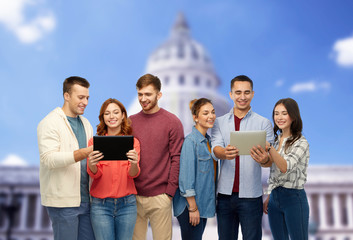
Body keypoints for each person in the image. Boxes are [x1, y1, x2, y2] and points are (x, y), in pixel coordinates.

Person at [211, 75, 274, 240]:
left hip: (251, 197)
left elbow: (270, 161)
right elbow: (215, 148)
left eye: (247, 92)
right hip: (224, 196)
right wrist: (223, 153)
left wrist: (264, 159)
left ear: (253, 94)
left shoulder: (264, 123)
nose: (242, 97)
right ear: (231, 94)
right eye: (238, 92)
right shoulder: (219, 122)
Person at [37, 76, 95, 240]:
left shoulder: (86, 124)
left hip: (86, 200)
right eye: (81, 97)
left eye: (87, 98)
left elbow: (90, 160)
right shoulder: (49, 123)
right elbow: (49, 159)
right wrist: (83, 153)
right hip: (63, 202)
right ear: (67, 96)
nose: (85, 102)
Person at [130, 73, 184, 240]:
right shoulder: (130, 122)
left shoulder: (172, 122)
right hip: (133, 196)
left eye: (148, 94)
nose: (143, 98)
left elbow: (177, 158)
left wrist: (169, 193)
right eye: (140, 94)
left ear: (159, 95)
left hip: (160, 197)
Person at [87, 98, 141, 240]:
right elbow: (95, 174)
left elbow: (133, 174)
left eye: (116, 112)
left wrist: (134, 163)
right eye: (107, 113)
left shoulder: (133, 143)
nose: (112, 117)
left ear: (123, 115)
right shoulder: (94, 142)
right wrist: (92, 163)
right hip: (101, 206)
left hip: (127, 205)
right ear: (103, 118)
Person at [259, 98, 310, 240]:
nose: (279, 118)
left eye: (284, 113)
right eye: (276, 114)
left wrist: (268, 148)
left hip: (294, 198)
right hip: (275, 199)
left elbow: (284, 167)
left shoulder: (301, 142)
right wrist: (270, 196)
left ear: (293, 116)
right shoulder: (275, 141)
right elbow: (272, 167)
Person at [173, 98, 217, 240]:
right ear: (195, 118)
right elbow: (186, 178)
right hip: (190, 207)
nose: (210, 116)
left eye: (212, 112)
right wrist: (192, 208)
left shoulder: (209, 142)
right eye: (205, 113)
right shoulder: (191, 141)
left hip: (202, 205)